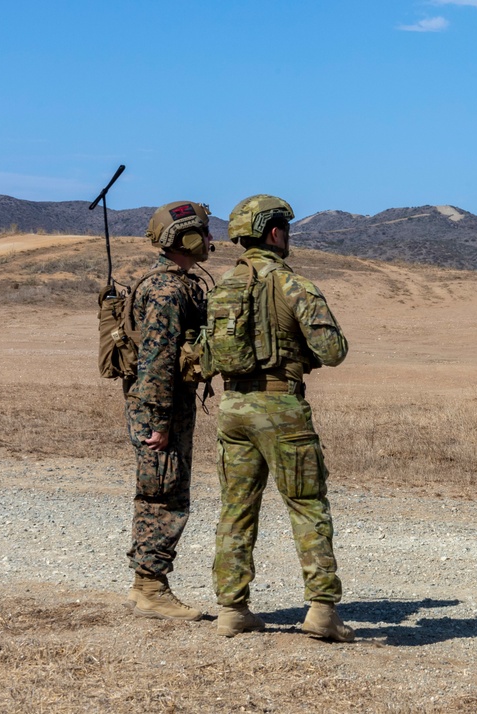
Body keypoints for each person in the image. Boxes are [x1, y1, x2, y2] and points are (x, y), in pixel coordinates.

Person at [212, 194, 353, 640]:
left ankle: (232, 609)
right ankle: (322, 611)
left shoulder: (223, 287)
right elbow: (333, 352)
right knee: (307, 505)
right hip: (281, 408)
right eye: (286, 230)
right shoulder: (295, 286)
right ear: (275, 233)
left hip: (233, 408)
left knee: (236, 508)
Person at [124, 201, 213, 621]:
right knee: (164, 494)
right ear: (187, 239)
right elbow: (158, 360)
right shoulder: (168, 290)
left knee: (159, 491)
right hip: (160, 409)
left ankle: (147, 582)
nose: (211, 241)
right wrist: (158, 422)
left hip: (161, 406)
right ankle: (150, 587)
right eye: (205, 233)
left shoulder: (175, 283)